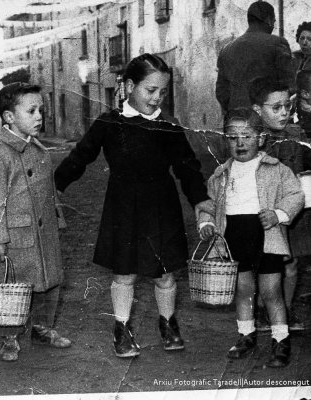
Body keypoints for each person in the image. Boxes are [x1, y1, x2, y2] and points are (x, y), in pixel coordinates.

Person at [54, 54, 209, 358]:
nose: (157, 98)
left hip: (161, 206)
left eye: (163, 92)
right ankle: (121, 328)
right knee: (124, 272)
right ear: (128, 86)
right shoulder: (109, 122)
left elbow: (188, 168)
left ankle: (168, 322)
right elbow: (80, 157)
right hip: (123, 205)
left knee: (164, 273)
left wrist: (201, 201)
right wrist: (54, 185)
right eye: (150, 90)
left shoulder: (168, 125)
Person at [196, 108, 304, 368]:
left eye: (247, 136)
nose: (240, 142)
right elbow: (207, 205)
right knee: (243, 290)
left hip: (267, 235)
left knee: (270, 291)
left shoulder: (276, 169)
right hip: (233, 236)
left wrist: (278, 214)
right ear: (225, 140)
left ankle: (281, 339)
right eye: (232, 137)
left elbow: (295, 195)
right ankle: (246, 335)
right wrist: (207, 223)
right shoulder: (220, 175)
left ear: (262, 139)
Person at [0, 82, 71, 362]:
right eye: (31, 110)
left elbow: (49, 188)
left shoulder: (39, 151)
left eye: (40, 110)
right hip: (17, 238)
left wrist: (57, 217)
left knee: (49, 282)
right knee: (15, 288)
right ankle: (10, 337)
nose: (39, 116)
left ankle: (43, 328)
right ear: (9, 117)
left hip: (44, 233)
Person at [249, 77, 311, 332]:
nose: (284, 112)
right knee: (268, 265)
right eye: (276, 108)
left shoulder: (296, 133)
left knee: (292, 262)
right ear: (257, 110)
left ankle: (284, 311)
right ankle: (265, 310)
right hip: (265, 212)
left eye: (287, 106)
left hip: (293, 211)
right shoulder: (253, 138)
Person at [215, 1, 294, 116]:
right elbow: (289, 84)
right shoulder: (277, 43)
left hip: (237, 122)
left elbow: (221, 92)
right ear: (268, 20)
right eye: (273, 21)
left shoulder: (226, 50)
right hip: (267, 121)